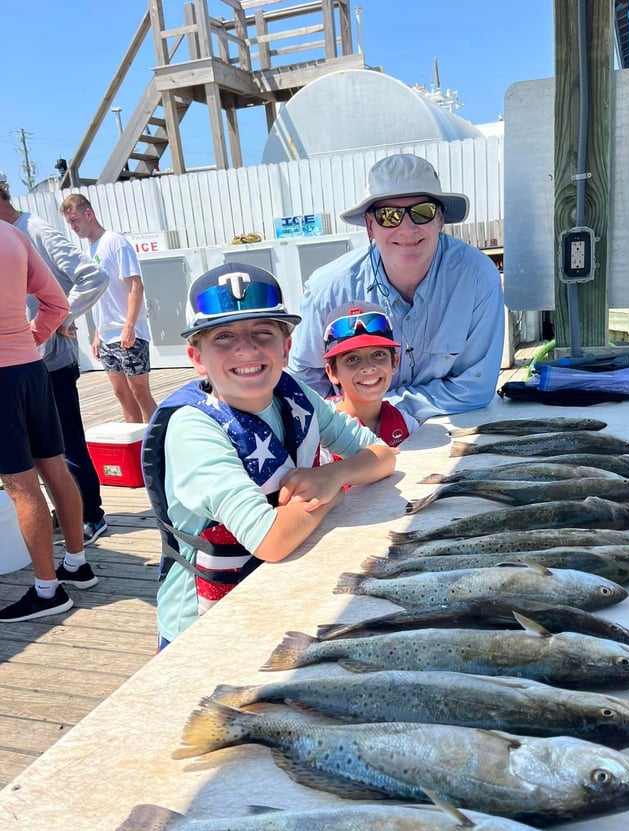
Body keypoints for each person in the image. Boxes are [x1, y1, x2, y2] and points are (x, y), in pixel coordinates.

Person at [141, 263, 396, 646]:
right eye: (223, 336)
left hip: (274, 596)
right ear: (197, 357)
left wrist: (331, 475)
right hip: (202, 627)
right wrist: (332, 494)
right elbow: (270, 539)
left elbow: (383, 455)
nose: (246, 349)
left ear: (286, 347)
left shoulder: (294, 395)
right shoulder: (194, 429)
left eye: (263, 333)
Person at [287, 153, 505, 423]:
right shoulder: (327, 290)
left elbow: (475, 388)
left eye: (421, 212)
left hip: (449, 426)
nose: (407, 227)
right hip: (352, 434)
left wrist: (384, 410)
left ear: (440, 219)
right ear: (370, 226)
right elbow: (306, 383)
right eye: (388, 216)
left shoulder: (478, 277)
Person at [0, 174, 109, 544]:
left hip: (50, 359)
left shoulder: (33, 229)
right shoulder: (14, 232)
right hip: (28, 360)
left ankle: (91, 516)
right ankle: (70, 517)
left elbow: (92, 275)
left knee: (65, 446)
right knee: (47, 454)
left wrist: (59, 318)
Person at [0, 221, 98, 623]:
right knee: (55, 467)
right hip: (32, 369)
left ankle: (47, 590)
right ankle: (77, 563)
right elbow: (57, 303)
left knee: (20, 486)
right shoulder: (12, 234)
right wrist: (30, 339)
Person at [59, 194, 157, 423]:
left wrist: (130, 326)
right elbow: (101, 296)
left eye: (75, 220)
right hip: (107, 336)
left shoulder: (115, 242)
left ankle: (157, 444)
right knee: (122, 394)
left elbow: (135, 285)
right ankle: (134, 445)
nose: (73, 227)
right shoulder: (91, 250)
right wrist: (97, 334)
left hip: (128, 333)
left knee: (140, 392)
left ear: (88, 214)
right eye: (69, 223)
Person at [322, 301, 419, 446]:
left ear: (394, 362)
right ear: (332, 373)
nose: (368, 367)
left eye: (378, 354)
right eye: (352, 359)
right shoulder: (319, 431)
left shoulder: (406, 423)